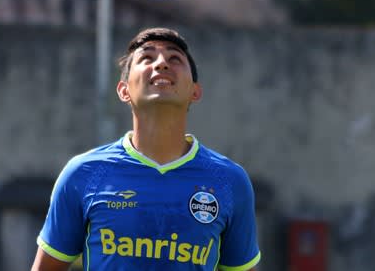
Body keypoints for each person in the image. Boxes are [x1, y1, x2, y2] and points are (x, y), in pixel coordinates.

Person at [31, 27, 261, 271]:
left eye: (174, 58)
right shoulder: (83, 173)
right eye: (146, 58)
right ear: (124, 90)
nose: (161, 63)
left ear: (195, 91)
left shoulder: (229, 180)